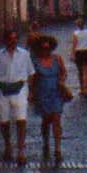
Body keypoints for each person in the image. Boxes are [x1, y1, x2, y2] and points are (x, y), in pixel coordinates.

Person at [0, 27, 34, 166]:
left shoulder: (24, 54)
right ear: (5, 40)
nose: (12, 41)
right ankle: (8, 145)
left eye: (15, 38)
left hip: (20, 89)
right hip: (3, 90)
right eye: (10, 39)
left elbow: (31, 72)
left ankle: (21, 150)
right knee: (4, 122)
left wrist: (31, 90)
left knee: (21, 121)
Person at [29, 33, 70, 165]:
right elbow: (32, 79)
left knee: (57, 119)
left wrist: (61, 81)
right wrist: (31, 93)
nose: (46, 51)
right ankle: (46, 142)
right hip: (42, 93)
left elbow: (63, 72)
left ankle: (57, 149)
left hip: (56, 92)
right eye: (44, 48)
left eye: (48, 48)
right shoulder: (35, 62)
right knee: (46, 120)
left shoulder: (57, 59)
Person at [70, 13, 87, 97]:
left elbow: (74, 45)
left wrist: (72, 54)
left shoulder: (75, 34)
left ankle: (81, 88)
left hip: (79, 53)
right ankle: (86, 89)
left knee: (80, 72)